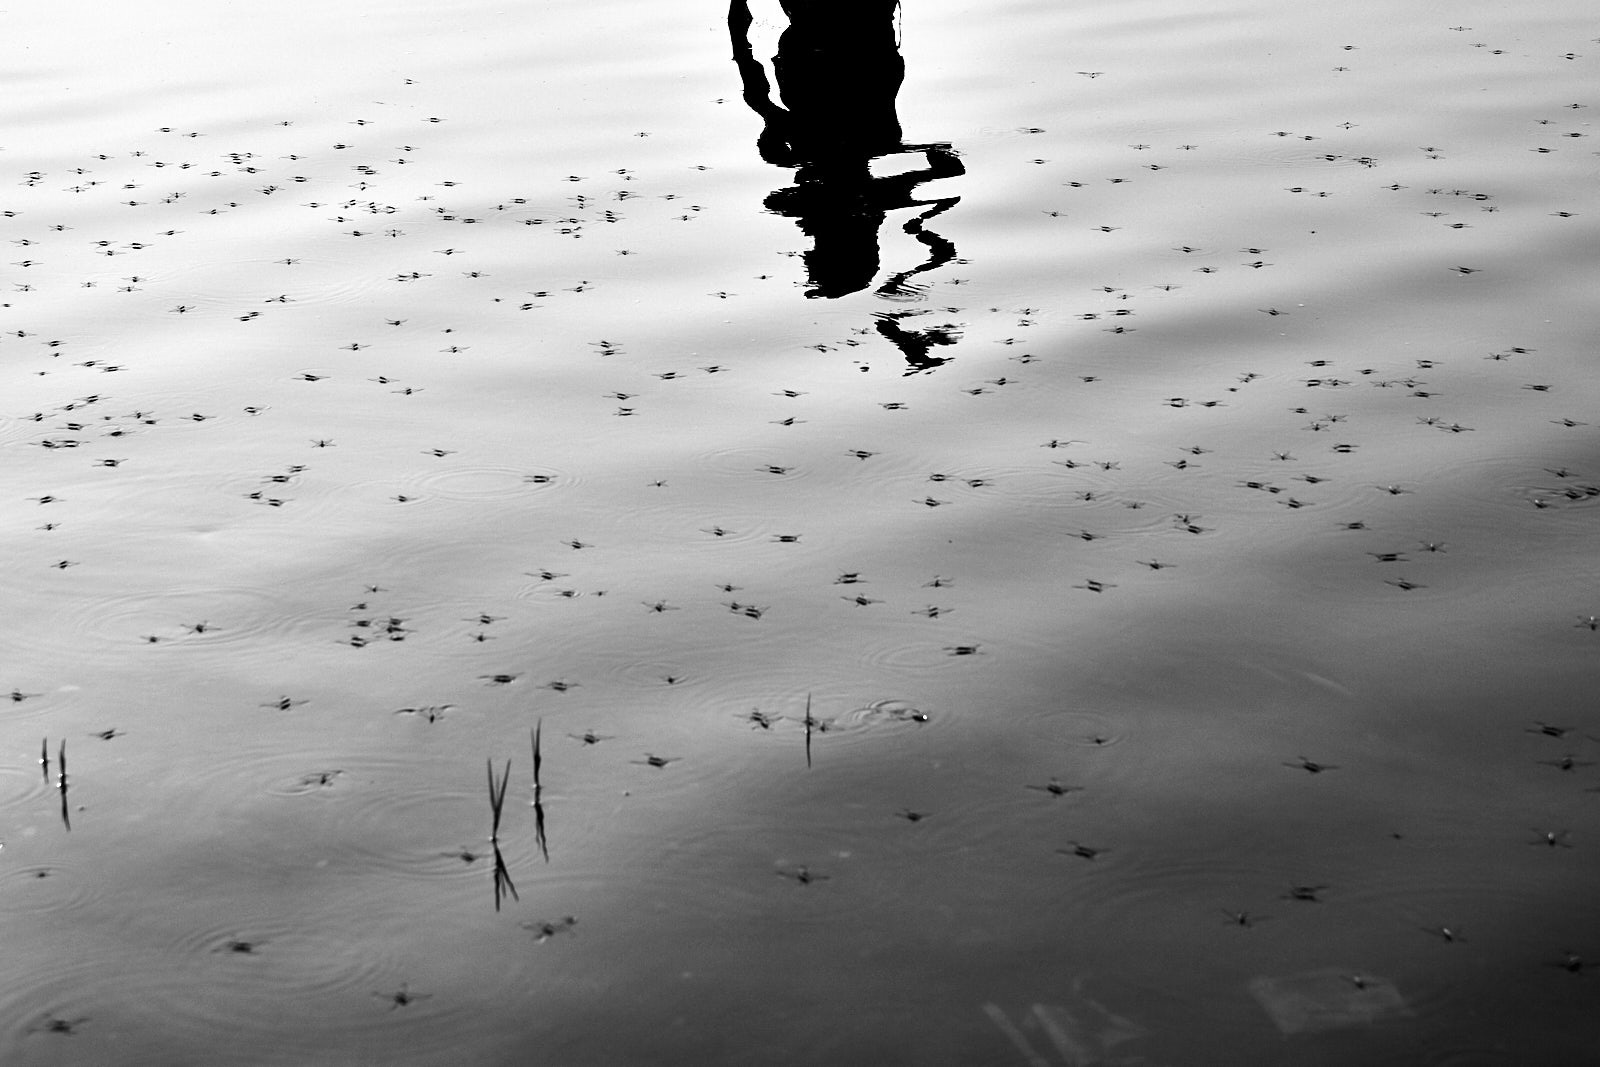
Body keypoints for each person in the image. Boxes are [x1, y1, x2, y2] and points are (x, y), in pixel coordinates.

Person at [728, 0, 964, 303]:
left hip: (857, 34)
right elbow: (757, 98)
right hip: (835, 38)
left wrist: (921, 214)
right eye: (816, 245)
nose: (807, 237)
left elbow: (949, 169)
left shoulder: (882, 174)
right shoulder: (799, 154)